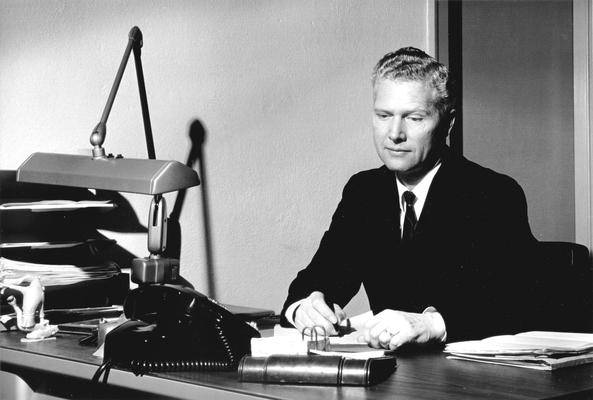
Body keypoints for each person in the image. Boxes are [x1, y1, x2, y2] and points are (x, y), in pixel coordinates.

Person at [280, 47, 538, 350]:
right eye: (383, 115)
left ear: (448, 122)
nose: (394, 134)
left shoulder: (492, 194)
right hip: (387, 376)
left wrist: (432, 324)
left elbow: (517, 305)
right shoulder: (365, 191)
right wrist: (307, 306)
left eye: (414, 118)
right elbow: (318, 279)